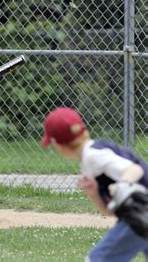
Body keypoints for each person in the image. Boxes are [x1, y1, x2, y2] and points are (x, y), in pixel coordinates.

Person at [42, 107, 148, 261]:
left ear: (58, 145)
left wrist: (121, 187)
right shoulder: (90, 158)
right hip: (137, 215)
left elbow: (134, 170)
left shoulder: (94, 156)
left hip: (140, 215)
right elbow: (109, 211)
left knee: (97, 259)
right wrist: (95, 194)